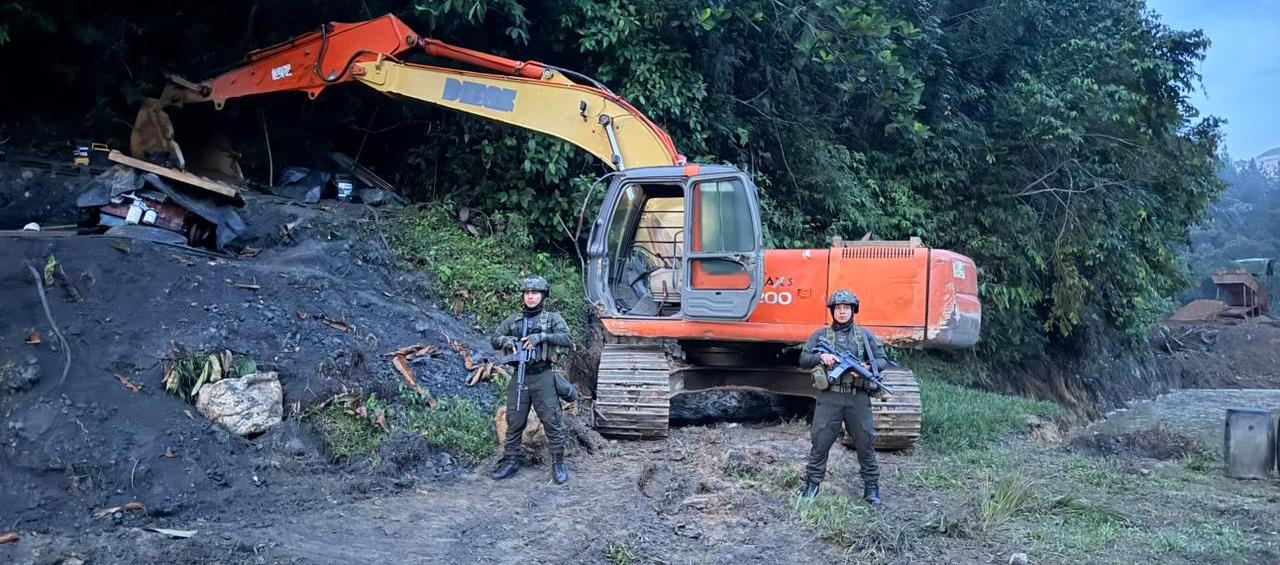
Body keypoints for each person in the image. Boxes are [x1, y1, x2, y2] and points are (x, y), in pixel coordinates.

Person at [797, 289, 887, 508]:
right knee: (820, 443)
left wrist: (866, 367)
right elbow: (803, 358)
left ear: (853, 310)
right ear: (833, 311)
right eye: (838, 308)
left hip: (858, 398)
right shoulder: (821, 336)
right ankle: (812, 486)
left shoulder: (864, 336)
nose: (842, 312)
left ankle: (871, 489)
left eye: (846, 308)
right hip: (830, 397)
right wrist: (822, 356)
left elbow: (882, 360)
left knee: (866, 443)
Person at [489, 276, 574, 484]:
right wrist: (508, 340)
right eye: (527, 293)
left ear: (543, 295)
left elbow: (567, 339)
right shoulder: (515, 320)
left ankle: (558, 463)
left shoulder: (552, 319)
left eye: (535, 293)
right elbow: (495, 339)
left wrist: (541, 337)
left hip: (543, 375)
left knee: (552, 421)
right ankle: (510, 460)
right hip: (520, 375)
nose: (530, 296)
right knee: (515, 420)